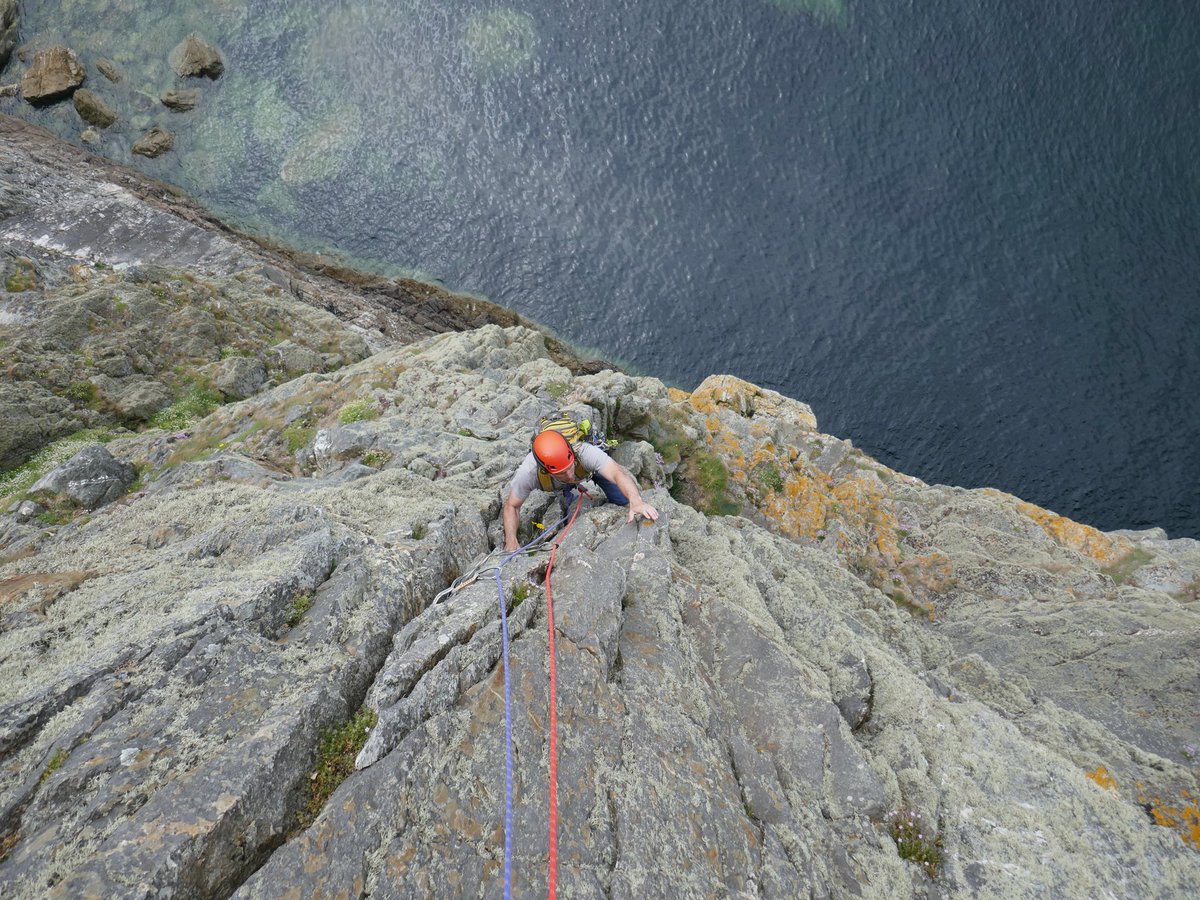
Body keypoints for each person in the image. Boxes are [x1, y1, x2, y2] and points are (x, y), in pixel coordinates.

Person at [503, 429, 659, 551]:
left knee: (622, 500)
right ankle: (563, 485)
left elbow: (618, 474)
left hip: (587, 471)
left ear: (572, 454)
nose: (569, 475)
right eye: (562, 473)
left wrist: (636, 502)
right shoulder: (528, 473)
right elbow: (512, 506)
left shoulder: (585, 452)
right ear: (545, 470)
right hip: (557, 480)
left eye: (569, 467)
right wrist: (511, 541)